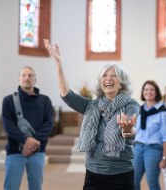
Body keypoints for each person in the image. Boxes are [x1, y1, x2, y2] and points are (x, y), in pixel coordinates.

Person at [44, 39, 139, 190]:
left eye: (113, 75)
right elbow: (67, 95)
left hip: (121, 174)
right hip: (93, 173)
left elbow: (131, 129)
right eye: (104, 76)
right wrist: (58, 64)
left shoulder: (130, 104)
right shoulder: (91, 106)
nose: (108, 78)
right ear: (101, 82)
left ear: (121, 83)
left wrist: (127, 130)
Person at [2, 66, 53, 190]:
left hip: (38, 151)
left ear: (35, 80)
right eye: (23, 75)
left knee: (36, 187)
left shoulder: (45, 100)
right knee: (11, 187)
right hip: (15, 151)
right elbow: (8, 125)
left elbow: (49, 123)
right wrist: (26, 140)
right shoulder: (8, 100)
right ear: (18, 79)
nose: (27, 78)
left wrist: (34, 142)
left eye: (30, 75)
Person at [134, 80, 166, 190]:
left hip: (153, 150)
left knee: (152, 182)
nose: (148, 92)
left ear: (156, 93)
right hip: (138, 148)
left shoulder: (162, 112)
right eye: (146, 89)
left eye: (151, 90)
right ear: (143, 92)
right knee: (132, 181)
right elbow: (135, 131)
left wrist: (165, 158)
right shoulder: (139, 110)